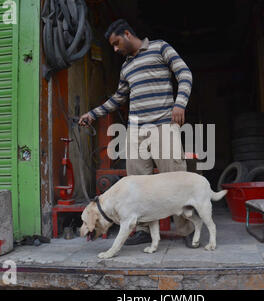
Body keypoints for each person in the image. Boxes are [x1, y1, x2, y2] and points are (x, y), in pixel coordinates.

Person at [79, 19, 196, 247]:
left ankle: (187, 229)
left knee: (177, 181)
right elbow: (118, 97)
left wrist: (180, 104)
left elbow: (184, 73)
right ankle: (141, 230)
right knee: (138, 186)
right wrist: (93, 114)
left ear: (126, 34)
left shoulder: (160, 47)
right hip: (136, 131)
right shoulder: (126, 66)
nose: (115, 49)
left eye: (116, 43)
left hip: (163, 125)